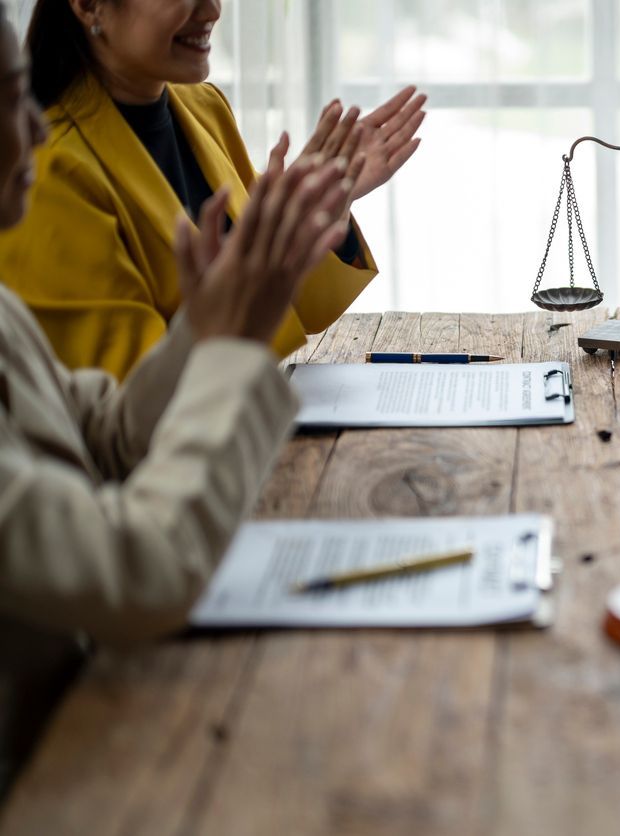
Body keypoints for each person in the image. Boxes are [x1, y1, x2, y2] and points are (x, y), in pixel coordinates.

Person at [0, 0, 354, 791]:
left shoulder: (200, 106)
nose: (30, 128)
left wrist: (225, 308)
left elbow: (107, 427)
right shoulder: (62, 161)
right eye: (5, 103)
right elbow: (139, 569)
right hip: (50, 755)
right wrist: (231, 336)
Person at [0, 0, 426, 378]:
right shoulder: (47, 174)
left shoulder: (203, 108)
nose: (212, 10)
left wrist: (322, 207)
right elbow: (127, 401)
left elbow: (299, 311)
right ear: (90, 6)